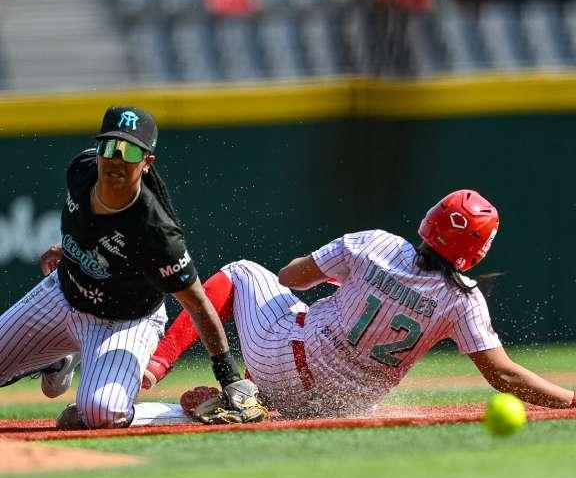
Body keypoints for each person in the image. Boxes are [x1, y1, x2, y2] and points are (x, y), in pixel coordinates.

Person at [144, 189, 576, 420]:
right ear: (477, 251)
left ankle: (162, 365)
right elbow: (503, 374)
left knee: (241, 272)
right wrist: (571, 401)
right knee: (305, 327)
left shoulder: (375, 244)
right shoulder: (463, 298)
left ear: (430, 219)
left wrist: (343, 274)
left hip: (284, 362)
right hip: (341, 407)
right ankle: (254, 395)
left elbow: (289, 278)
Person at [0, 105, 265, 429]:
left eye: (130, 151)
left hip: (124, 321)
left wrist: (229, 377)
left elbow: (198, 303)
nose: (116, 158)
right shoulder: (81, 170)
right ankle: (57, 360)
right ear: (97, 149)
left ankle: (189, 411)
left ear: (147, 162)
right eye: (109, 146)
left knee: (101, 412)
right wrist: (69, 249)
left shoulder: (156, 231)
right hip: (63, 293)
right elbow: (93, 230)